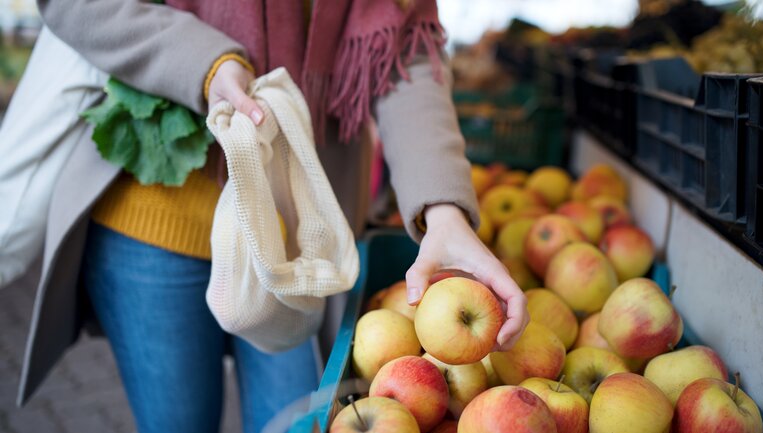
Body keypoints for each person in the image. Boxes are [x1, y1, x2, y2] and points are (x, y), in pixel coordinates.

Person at [17, 0, 529, 431]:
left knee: (296, 419)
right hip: (154, 214)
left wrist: (443, 209)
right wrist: (207, 64)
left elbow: (405, 51)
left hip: (302, 237)